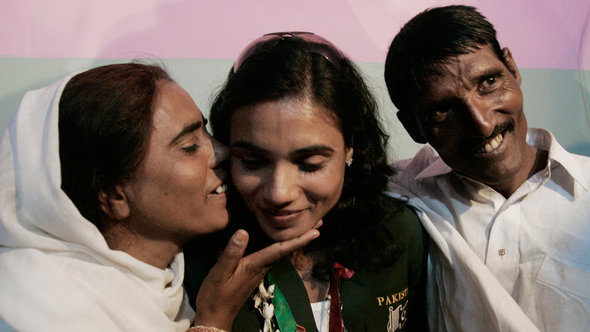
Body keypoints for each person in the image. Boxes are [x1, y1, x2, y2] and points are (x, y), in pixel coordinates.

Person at [0, 63, 319, 331]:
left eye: (205, 133)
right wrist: (212, 321)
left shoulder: (166, 287)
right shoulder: (42, 307)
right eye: (189, 147)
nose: (221, 152)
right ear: (114, 195)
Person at [185, 32, 428, 332]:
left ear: (350, 147)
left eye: (309, 165)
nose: (278, 193)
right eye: (252, 162)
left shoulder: (398, 233)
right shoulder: (199, 258)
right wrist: (212, 321)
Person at [384, 5, 590, 332]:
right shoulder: (402, 193)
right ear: (413, 126)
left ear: (512, 67)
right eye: (445, 110)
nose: (481, 123)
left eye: (489, 82)